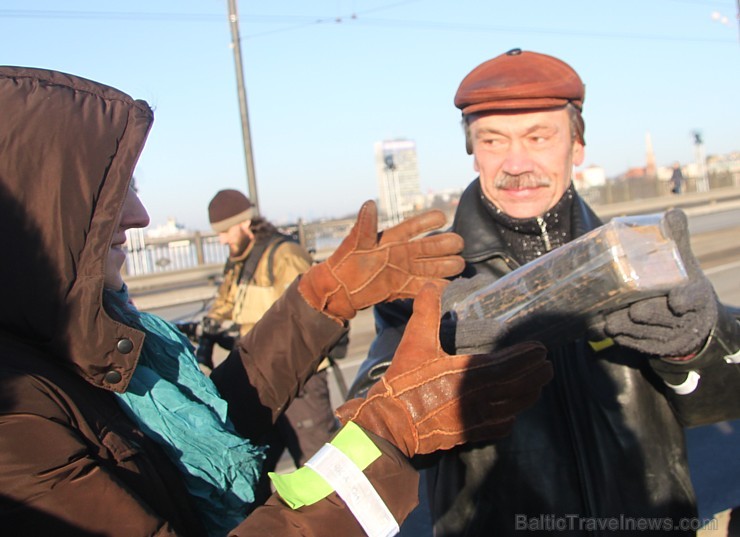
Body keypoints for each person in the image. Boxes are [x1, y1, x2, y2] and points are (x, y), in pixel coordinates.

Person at [0, 66, 554, 537]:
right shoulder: (14, 422)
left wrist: (319, 302)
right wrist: (386, 436)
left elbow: (216, 424)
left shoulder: (76, 344)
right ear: (40, 220)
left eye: (134, 188)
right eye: (110, 195)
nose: (138, 217)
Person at [350, 48, 740, 536]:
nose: (516, 164)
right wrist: (429, 381)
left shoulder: (644, 253)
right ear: (472, 149)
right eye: (493, 140)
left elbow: (724, 401)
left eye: (539, 137)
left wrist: (696, 345)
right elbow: (367, 440)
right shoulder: (425, 282)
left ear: (577, 145)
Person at [202, 189, 339, 480]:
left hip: (300, 377)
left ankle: (345, 521)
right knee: (253, 470)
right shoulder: (240, 260)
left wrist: (238, 329)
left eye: (225, 231)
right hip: (260, 378)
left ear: (244, 223)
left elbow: (308, 316)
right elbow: (225, 303)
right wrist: (210, 326)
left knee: (319, 468)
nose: (222, 239)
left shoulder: (284, 256)